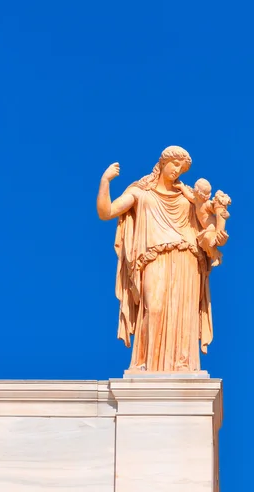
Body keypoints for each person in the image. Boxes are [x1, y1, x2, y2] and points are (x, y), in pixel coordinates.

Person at [96, 146, 228, 372]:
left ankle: (182, 365)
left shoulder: (189, 196)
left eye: (182, 167)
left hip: (187, 257)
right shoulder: (140, 193)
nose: (178, 170)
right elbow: (106, 212)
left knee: (183, 313)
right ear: (163, 162)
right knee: (153, 307)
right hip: (153, 258)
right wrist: (105, 181)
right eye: (175, 164)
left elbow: (208, 226)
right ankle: (146, 363)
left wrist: (217, 218)